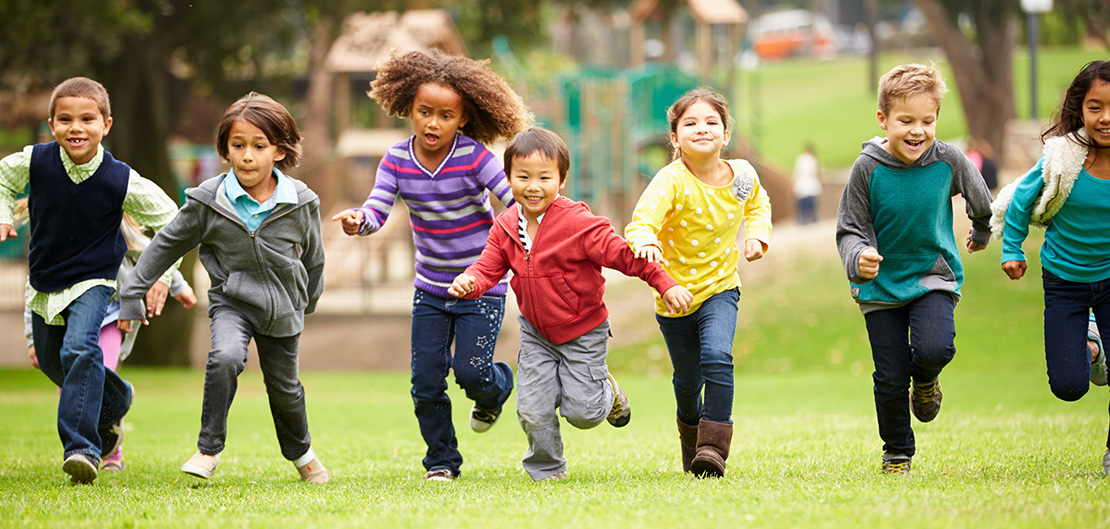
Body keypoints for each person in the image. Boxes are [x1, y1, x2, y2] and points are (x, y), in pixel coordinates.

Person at [447, 128, 693, 482]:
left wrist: (664, 282)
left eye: (544, 177)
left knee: (584, 413)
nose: (533, 186)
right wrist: (470, 281)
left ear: (561, 180)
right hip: (536, 334)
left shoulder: (578, 223)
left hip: (583, 330)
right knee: (531, 407)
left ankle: (606, 393)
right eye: (523, 177)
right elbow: (487, 268)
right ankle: (546, 469)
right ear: (508, 178)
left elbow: (626, 256)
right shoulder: (503, 227)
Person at [332, 49, 531, 481]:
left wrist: (537, 229)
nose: (432, 123)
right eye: (425, 112)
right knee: (425, 382)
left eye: (445, 115)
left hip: (481, 286)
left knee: (472, 374)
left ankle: (498, 388)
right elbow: (377, 210)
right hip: (431, 291)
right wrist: (357, 222)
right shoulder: (396, 160)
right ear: (409, 108)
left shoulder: (475, 157)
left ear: (462, 119)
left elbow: (514, 199)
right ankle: (441, 460)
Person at [117, 92, 329, 484]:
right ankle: (208, 449)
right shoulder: (207, 201)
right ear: (226, 150)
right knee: (225, 358)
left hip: (284, 307)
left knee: (284, 390)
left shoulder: (301, 202)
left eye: (259, 146)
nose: (248, 155)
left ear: (279, 151)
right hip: (232, 301)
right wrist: (132, 293)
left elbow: (314, 257)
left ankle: (302, 454)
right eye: (238, 145)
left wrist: (308, 300)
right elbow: (165, 244)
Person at [0, 77, 180, 484]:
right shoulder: (35, 161)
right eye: (65, 119)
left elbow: (172, 221)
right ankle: (118, 396)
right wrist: (4, 215)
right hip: (45, 279)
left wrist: (162, 276)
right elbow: (2, 178)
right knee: (53, 360)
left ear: (107, 125)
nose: (75, 127)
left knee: (80, 347)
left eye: (87, 119)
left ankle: (82, 449)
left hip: (95, 279)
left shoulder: (121, 179)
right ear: (51, 124)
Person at [836, 64, 993, 475]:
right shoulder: (867, 169)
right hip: (880, 287)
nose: (917, 131)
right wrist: (859, 259)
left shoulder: (948, 160)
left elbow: (980, 198)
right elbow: (850, 229)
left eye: (928, 120)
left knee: (934, 348)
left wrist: (980, 230)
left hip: (932, 277)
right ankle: (897, 452)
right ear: (883, 119)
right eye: (906, 120)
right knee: (889, 376)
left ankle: (925, 382)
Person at [625, 87, 772, 478]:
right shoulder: (670, 181)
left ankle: (712, 448)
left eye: (712, 122)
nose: (702, 128)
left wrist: (756, 234)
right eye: (690, 123)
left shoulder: (741, 175)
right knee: (688, 383)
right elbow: (641, 223)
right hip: (674, 298)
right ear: (675, 138)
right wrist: (647, 243)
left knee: (718, 357)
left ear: (726, 134)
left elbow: (757, 203)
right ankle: (691, 440)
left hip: (721, 288)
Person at [995, 60, 1110, 474]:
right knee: (1069, 386)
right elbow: (1021, 200)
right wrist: (1013, 249)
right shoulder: (1063, 157)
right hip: (1064, 280)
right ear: (1081, 109)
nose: (1106, 118)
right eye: (1095, 107)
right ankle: (1092, 348)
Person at [24, 211, 198, 472]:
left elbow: (154, 256)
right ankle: (115, 405)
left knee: (94, 378)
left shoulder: (115, 227)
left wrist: (178, 286)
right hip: (68, 318)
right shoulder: (54, 235)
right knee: (71, 388)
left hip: (112, 317)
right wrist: (32, 339)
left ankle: (110, 452)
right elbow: (35, 288)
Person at [792, 143, 821, 224]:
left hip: (808, 188)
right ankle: (808, 222)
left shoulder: (809, 160)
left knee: (807, 208)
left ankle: (807, 222)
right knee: (807, 207)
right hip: (805, 187)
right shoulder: (808, 160)